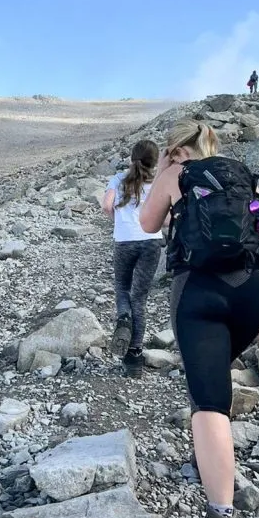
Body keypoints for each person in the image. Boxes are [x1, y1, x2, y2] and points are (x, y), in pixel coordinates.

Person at [139, 119, 259, 518]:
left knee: (209, 403)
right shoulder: (240, 177)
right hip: (252, 291)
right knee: (215, 384)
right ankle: (217, 462)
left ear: (174, 147)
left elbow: (146, 223)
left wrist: (164, 171)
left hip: (199, 292)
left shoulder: (174, 173)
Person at [102, 140, 163, 378]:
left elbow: (106, 206)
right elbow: (167, 218)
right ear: (155, 161)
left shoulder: (118, 179)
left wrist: (120, 221)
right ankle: (134, 357)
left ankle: (123, 318)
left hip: (124, 240)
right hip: (151, 241)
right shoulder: (158, 183)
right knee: (140, 299)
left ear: (132, 158)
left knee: (122, 287)